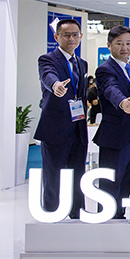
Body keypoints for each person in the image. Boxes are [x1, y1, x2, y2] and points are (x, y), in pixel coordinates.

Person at [35, 18, 88, 219]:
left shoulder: (81, 63)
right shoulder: (47, 59)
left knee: (77, 174)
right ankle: (51, 213)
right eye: (66, 35)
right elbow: (48, 76)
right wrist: (55, 85)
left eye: (75, 34)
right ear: (57, 37)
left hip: (78, 128)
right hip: (55, 128)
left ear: (80, 37)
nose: (71, 38)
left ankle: (77, 213)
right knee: (53, 175)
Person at [93, 25, 130, 219]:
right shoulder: (105, 69)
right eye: (119, 43)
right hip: (115, 135)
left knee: (127, 179)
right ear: (109, 45)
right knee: (110, 182)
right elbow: (110, 88)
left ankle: (119, 215)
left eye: (128, 43)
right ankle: (106, 218)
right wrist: (122, 102)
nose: (125, 48)